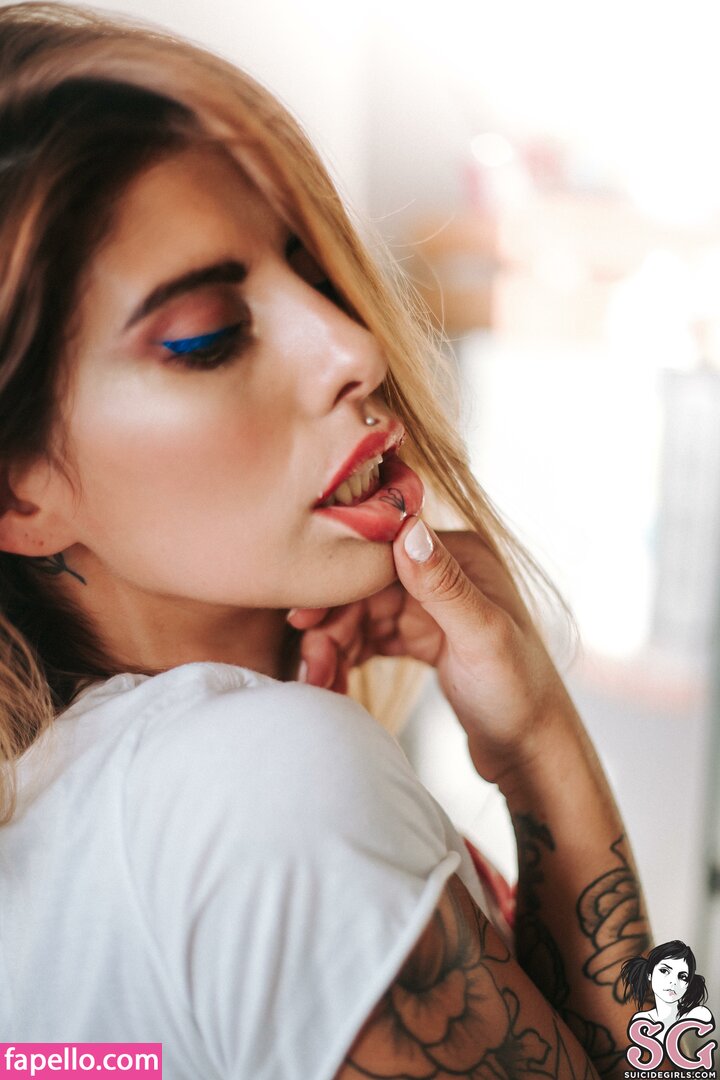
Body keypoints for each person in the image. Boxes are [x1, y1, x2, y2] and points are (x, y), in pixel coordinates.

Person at [0, 3, 652, 1077]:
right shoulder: (264, 789)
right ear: (20, 494)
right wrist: (544, 752)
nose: (353, 344)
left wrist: (532, 726)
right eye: (209, 336)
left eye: (310, 269)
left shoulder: (66, 814)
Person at [621, 941, 712, 1041]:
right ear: (649, 974)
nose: (673, 982)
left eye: (682, 977)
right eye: (664, 971)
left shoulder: (699, 1015)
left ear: (688, 984)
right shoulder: (641, 1020)